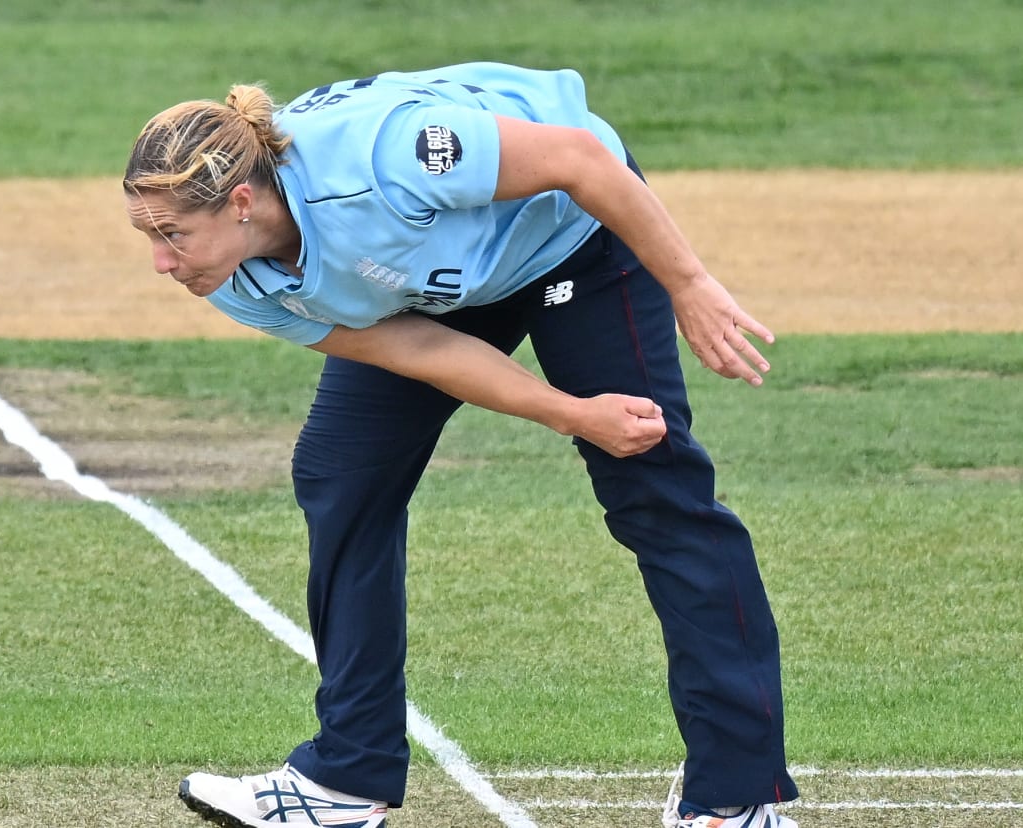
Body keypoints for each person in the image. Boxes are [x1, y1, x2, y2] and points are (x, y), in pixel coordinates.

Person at [122, 62, 800, 828]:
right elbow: (416, 349)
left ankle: (733, 797)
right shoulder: (240, 279)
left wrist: (688, 283)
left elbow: (579, 160)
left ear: (241, 202)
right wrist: (567, 412)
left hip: (575, 230)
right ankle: (346, 780)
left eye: (172, 233)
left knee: (654, 487)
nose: (160, 262)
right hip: (440, 285)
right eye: (148, 235)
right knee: (342, 474)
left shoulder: (384, 157)